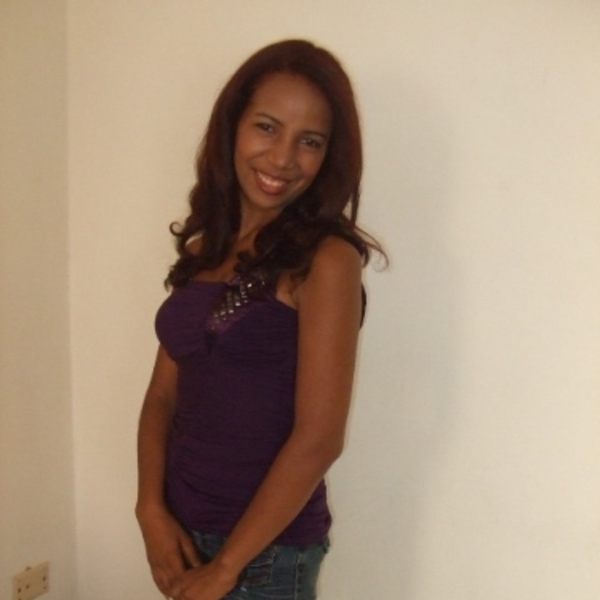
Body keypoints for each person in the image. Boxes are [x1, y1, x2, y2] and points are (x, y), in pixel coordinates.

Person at [136, 39, 383, 600]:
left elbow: (319, 438)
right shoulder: (204, 250)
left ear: (329, 156)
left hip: (264, 558)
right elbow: (161, 396)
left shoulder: (327, 260)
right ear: (233, 127)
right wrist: (149, 509)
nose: (282, 158)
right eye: (267, 127)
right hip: (180, 534)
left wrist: (226, 569)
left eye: (310, 141)